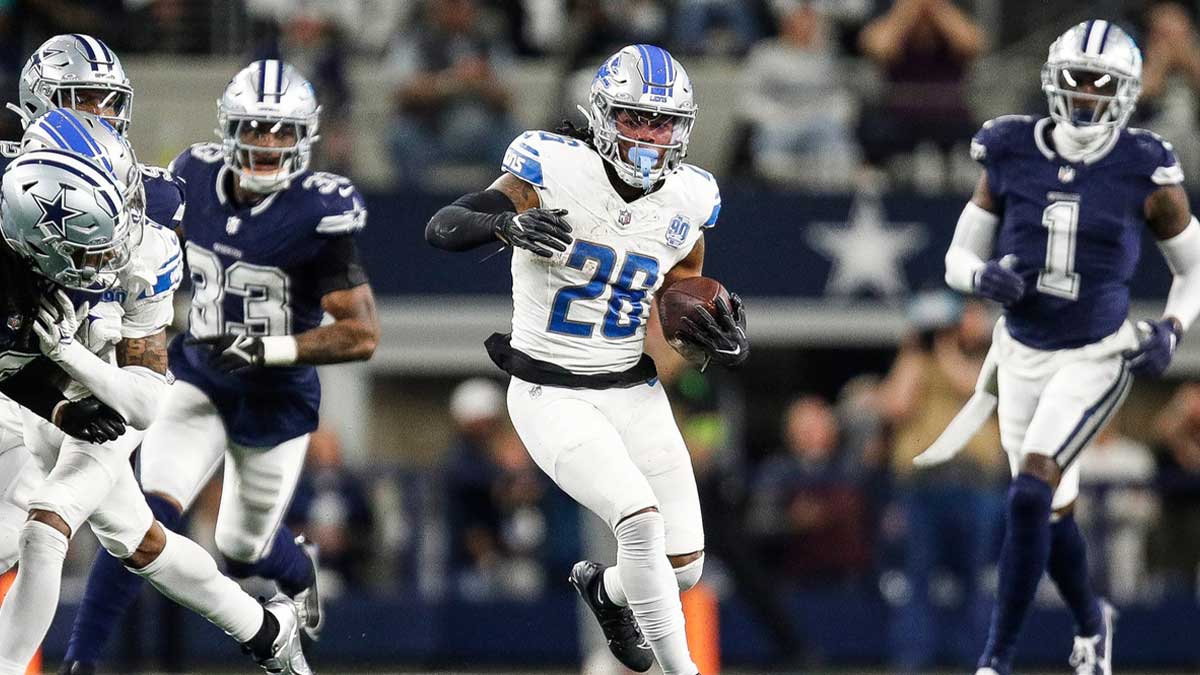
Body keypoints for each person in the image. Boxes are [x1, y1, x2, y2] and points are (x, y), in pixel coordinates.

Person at [426, 44, 749, 675]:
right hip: (552, 390)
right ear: (603, 116)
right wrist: (503, 226)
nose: (649, 135)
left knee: (685, 567)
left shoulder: (687, 199)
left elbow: (677, 297)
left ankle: (608, 590)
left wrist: (712, 338)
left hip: (633, 388)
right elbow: (442, 225)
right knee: (639, 520)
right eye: (635, 118)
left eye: (662, 122)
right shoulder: (551, 168)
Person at [61, 59, 379, 674]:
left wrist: (270, 349)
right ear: (229, 128)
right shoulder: (192, 174)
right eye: (255, 128)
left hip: (275, 398)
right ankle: (82, 663)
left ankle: (298, 568)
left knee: (240, 549)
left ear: (304, 137)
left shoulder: (319, 211)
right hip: (200, 373)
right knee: (145, 516)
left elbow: (362, 335)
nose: (267, 143)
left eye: (282, 132)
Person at [0, 117, 309, 675]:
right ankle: (266, 630)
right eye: (84, 252)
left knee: (45, 528)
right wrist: (61, 403)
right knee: (143, 546)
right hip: (45, 397)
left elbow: (145, 402)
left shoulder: (145, 244)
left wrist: (71, 355)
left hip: (119, 393)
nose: (103, 262)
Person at [939, 20, 1200, 675]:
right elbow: (956, 257)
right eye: (1076, 80)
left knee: (1028, 493)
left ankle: (995, 658)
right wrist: (980, 275)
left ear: (1128, 91)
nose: (1086, 94)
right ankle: (1093, 622)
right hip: (1023, 350)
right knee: (1050, 514)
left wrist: (1171, 326)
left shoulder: (1144, 164)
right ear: (1052, 83)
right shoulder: (1009, 148)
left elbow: (1194, 266)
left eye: (1101, 83)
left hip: (1097, 352)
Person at [0, 34, 189, 577]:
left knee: (37, 536)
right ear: (40, 103)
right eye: (84, 98)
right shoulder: (14, 192)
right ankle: (262, 626)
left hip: (85, 379)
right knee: (130, 541)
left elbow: (146, 320)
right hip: (23, 366)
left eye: (109, 101)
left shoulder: (153, 195)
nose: (101, 114)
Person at [877, 292, 1004, 672]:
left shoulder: (996, 355)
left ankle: (980, 660)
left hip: (974, 484)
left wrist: (945, 345)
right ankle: (911, 660)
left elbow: (970, 386)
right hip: (921, 486)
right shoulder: (916, 361)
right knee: (916, 579)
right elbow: (895, 407)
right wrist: (913, 351)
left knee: (975, 579)